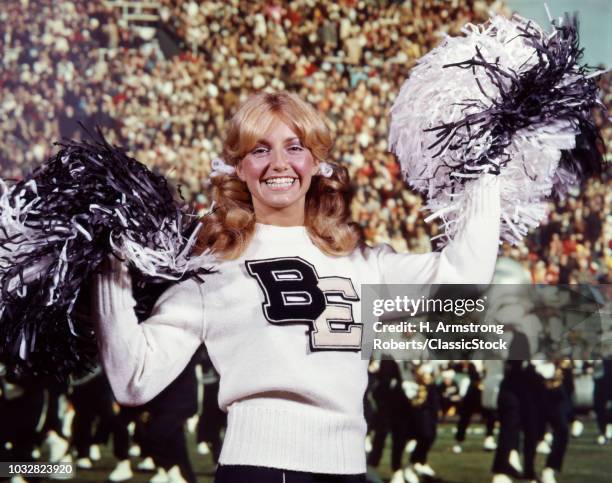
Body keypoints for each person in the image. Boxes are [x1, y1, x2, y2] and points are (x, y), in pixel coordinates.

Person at [93, 91, 501, 482]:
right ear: (238, 167)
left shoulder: (362, 262)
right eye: (259, 149)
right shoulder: (214, 268)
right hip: (257, 468)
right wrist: (104, 258)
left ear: (316, 161)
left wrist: (488, 162)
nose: (278, 163)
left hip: (347, 469)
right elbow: (135, 378)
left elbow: (464, 281)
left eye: (294, 147)